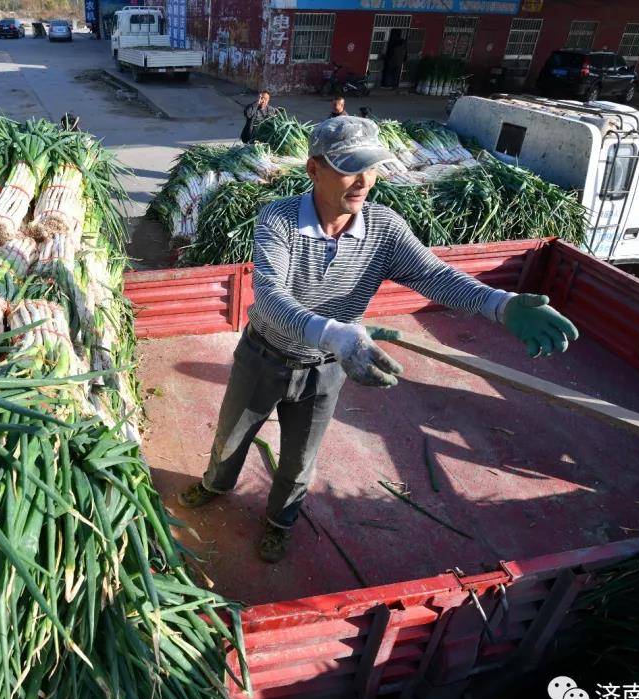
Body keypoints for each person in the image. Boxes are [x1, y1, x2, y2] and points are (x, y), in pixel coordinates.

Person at [175, 116, 579, 563]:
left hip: (325, 370)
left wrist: (500, 304)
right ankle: (216, 484)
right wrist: (338, 335)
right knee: (232, 436)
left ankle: (279, 523)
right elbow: (270, 298)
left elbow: (434, 275)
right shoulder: (280, 219)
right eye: (351, 167)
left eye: (372, 167)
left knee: (299, 459)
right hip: (263, 356)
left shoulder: (384, 229)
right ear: (314, 169)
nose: (364, 180)